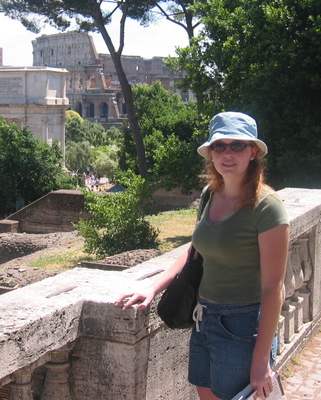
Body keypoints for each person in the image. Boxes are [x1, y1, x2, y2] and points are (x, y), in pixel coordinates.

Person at [115, 112, 290, 400]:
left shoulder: (267, 208)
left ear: (253, 152)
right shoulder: (211, 194)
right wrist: (153, 287)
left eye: (237, 145)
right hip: (203, 318)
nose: (228, 153)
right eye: (219, 146)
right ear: (210, 153)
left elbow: (274, 289)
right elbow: (194, 252)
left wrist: (260, 363)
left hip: (243, 326)